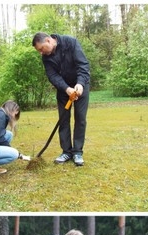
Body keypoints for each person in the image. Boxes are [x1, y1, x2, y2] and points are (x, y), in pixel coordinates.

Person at [33, 32, 91, 167]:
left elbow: (83, 65)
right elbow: (52, 76)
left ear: (48, 40)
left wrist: (80, 83)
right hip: (63, 88)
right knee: (63, 119)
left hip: (80, 85)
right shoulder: (46, 57)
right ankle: (66, 151)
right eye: (39, 51)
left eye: (41, 49)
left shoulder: (70, 43)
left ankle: (77, 152)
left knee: (80, 118)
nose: (41, 53)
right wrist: (66, 88)